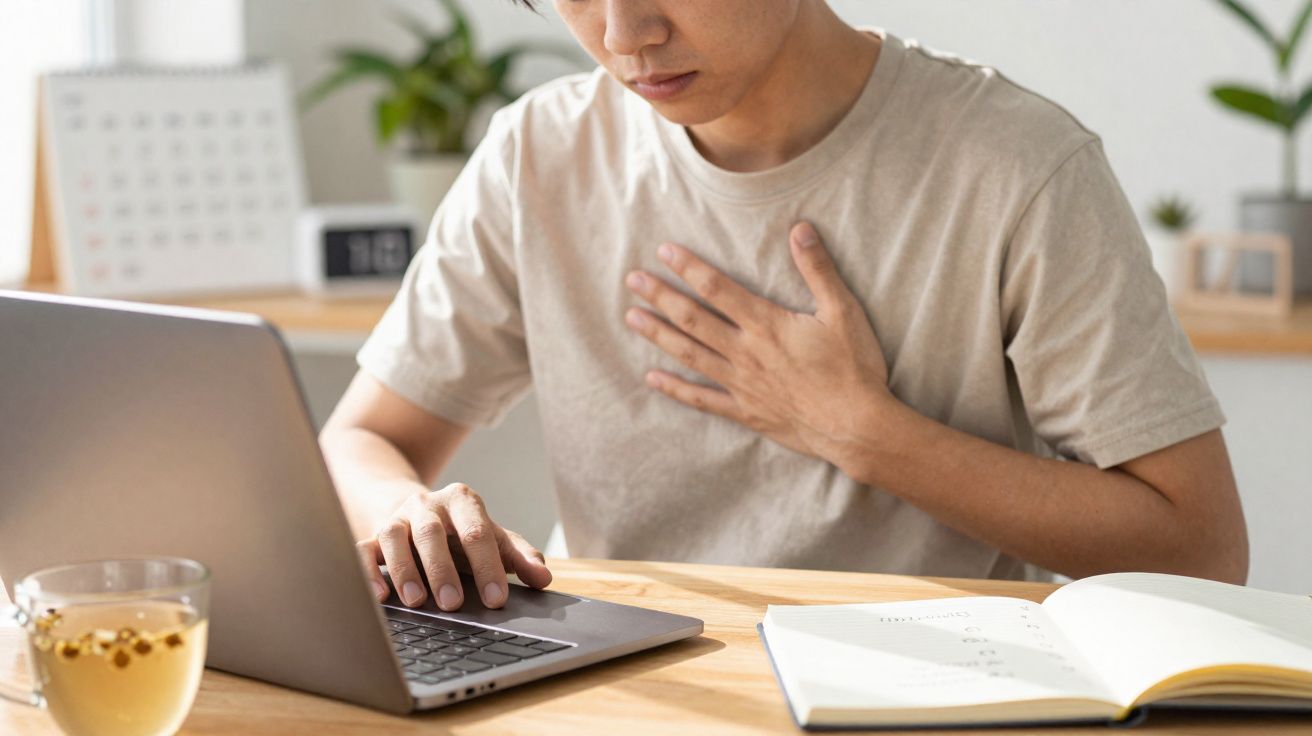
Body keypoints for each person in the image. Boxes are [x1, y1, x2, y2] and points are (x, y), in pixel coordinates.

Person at [319, 0, 1249, 613]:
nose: (624, 32)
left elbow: (1200, 551)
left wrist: (864, 433)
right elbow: (359, 440)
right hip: (619, 692)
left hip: (933, 697)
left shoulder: (1018, 168)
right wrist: (409, 509)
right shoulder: (539, 154)